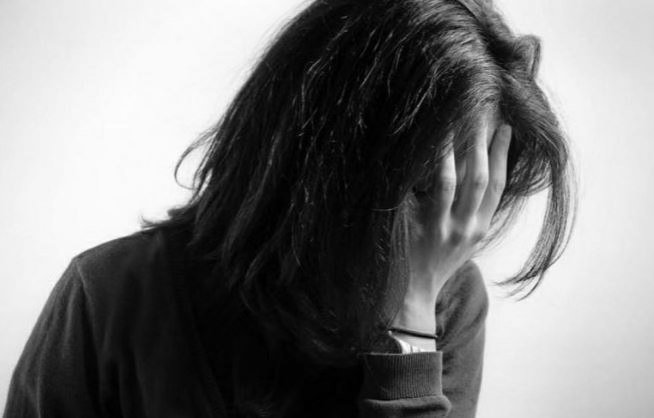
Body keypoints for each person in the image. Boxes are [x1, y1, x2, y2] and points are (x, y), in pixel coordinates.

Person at [3, 0, 576, 416]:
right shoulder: (112, 293)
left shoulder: (447, 301)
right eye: (428, 189)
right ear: (322, 163)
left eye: (469, 195)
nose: (443, 229)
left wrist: (412, 321)